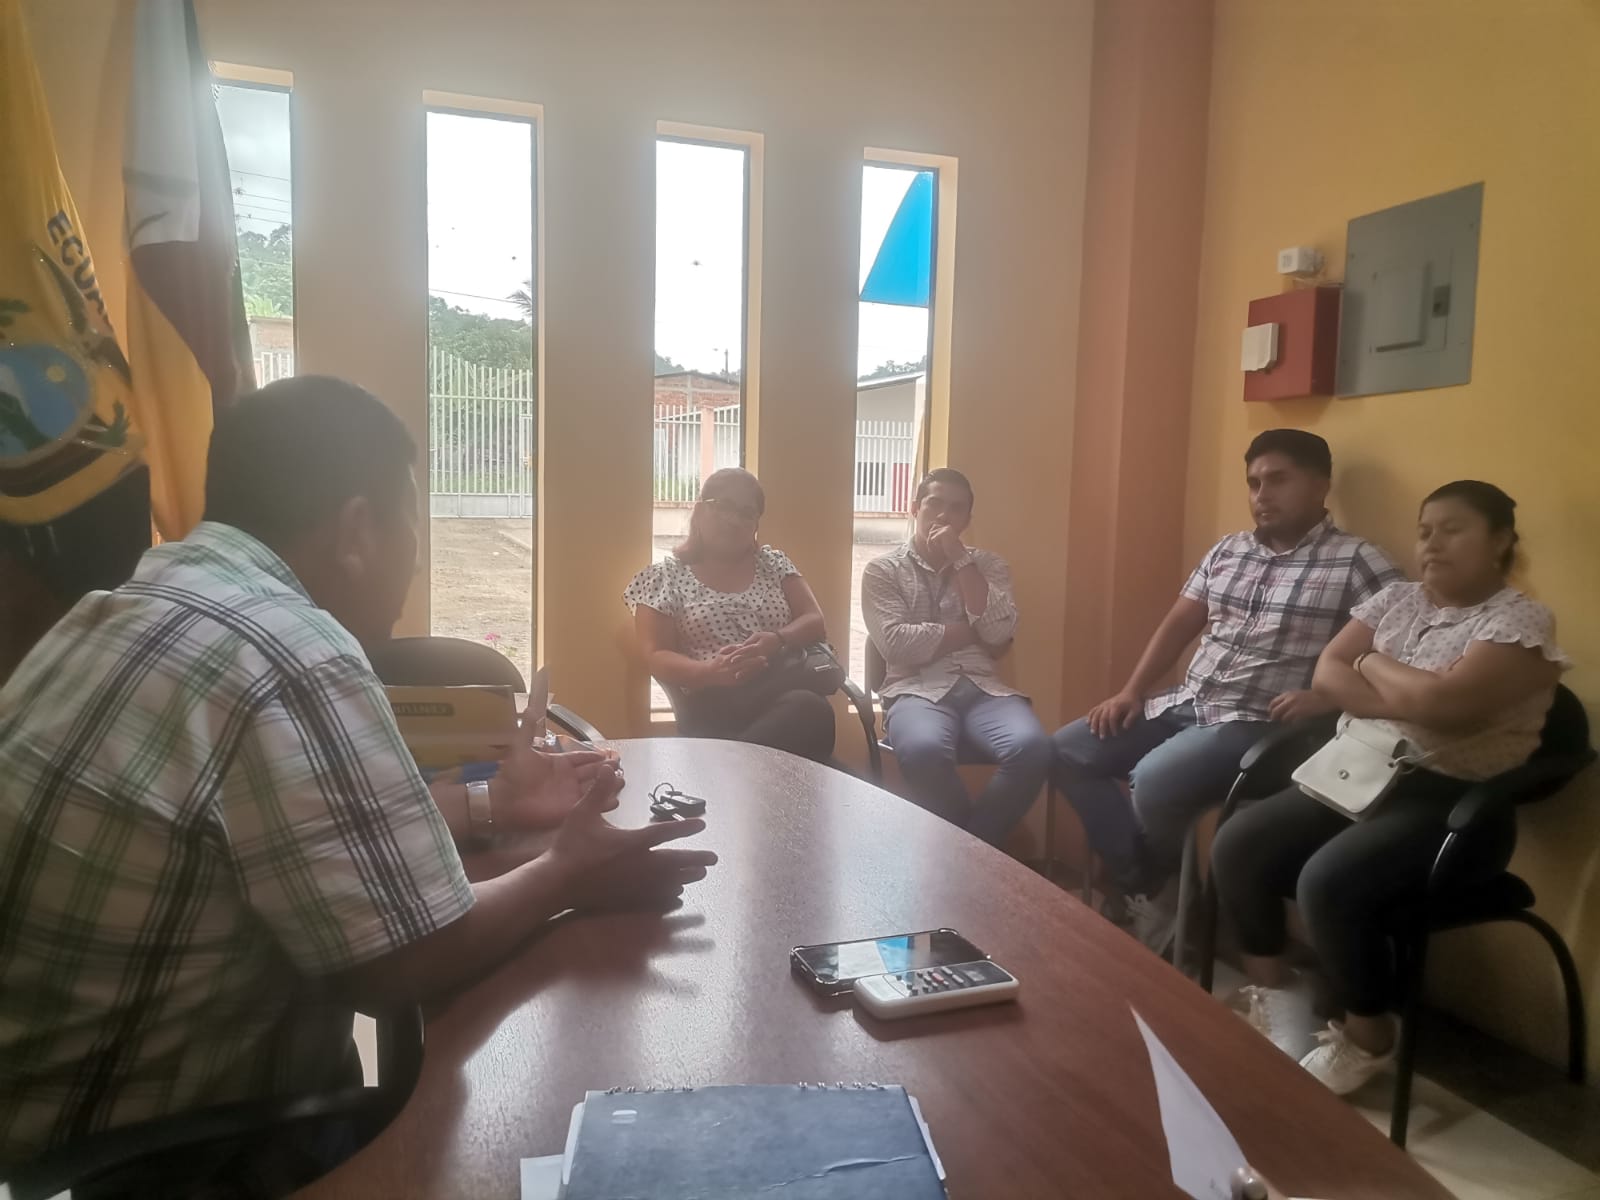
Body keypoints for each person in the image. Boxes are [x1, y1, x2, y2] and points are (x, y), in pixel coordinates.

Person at [0, 377, 717, 1175]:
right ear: (357, 530)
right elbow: (407, 961)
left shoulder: (119, 607)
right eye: (412, 525)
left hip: (37, 1136)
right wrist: (566, 875)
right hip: (169, 1155)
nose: (415, 565)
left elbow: (282, 832)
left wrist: (494, 802)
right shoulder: (290, 648)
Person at [1212, 481, 1568, 1095]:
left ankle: (1369, 1038)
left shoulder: (1519, 621)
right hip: (1358, 773)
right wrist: (1399, 689)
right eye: (1425, 531)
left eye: (1452, 530)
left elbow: (1443, 708)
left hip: (1455, 807)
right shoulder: (1398, 599)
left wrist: (1370, 663)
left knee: (1327, 881)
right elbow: (1327, 673)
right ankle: (1277, 996)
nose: (1432, 544)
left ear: (1500, 541)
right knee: (1238, 841)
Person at [1051, 431, 1401, 952]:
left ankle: (1164, 898)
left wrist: (1330, 698)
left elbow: (1400, 652)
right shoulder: (1229, 550)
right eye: (1253, 483)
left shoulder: (1359, 561)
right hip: (1186, 702)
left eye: (1277, 480)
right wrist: (1131, 691)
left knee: (1155, 780)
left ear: (1320, 485)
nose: (1262, 494)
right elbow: (1178, 624)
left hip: (1261, 723)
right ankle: (1153, 884)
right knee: (1067, 749)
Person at [861, 468, 1050, 847]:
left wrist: (961, 560)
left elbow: (997, 632)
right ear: (915, 508)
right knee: (924, 750)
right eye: (934, 504)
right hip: (915, 690)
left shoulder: (990, 566)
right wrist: (971, 630)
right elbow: (896, 645)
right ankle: (977, 856)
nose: (944, 515)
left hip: (984, 690)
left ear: (967, 520)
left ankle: (967, 853)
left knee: (1034, 749)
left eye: (956, 508)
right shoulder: (882, 570)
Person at [625, 468, 836, 763]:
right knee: (811, 713)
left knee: (809, 711)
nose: (734, 520)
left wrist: (777, 640)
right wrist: (711, 671)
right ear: (699, 511)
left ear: (756, 524)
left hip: (781, 687)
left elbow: (814, 620)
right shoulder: (665, 576)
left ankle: (726, 771)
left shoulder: (774, 565)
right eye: (723, 506)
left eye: (747, 513)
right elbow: (656, 655)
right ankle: (729, 769)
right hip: (714, 703)